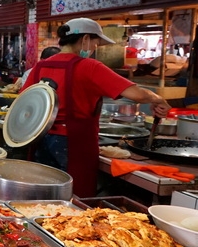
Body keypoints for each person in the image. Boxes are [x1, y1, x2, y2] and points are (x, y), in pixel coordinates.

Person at [22, 17, 170, 197]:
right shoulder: (89, 66)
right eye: (95, 43)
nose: (94, 49)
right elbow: (137, 94)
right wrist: (158, 98)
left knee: (41, 193)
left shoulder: (40, 66)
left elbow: (25, 102)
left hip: (41, 140)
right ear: (85, 39)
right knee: (72, 198)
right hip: (74, 143)